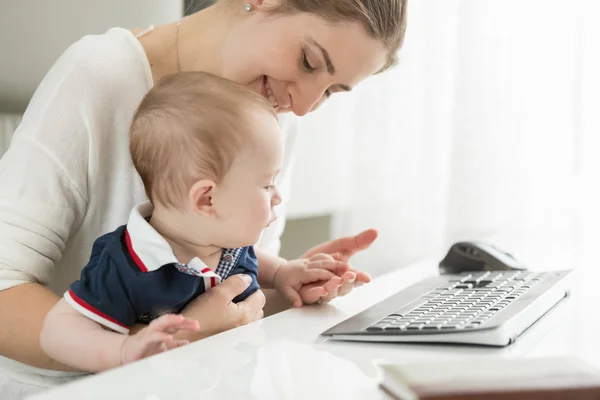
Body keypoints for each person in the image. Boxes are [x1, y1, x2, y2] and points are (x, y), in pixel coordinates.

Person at [0, 0, 407, 395]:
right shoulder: (101, 74)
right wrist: (159, 345)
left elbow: (227, 303)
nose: (301, 106)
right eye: (308, 61)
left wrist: (290, 283)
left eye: (331, 90)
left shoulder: (272, 117)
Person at [39, 71, 350, 373]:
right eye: (267, 184)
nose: (277, 196)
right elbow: (55, 331)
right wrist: (122, 351)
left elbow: (250, 273)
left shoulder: (229, 243)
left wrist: (284, 274)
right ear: (207, 200)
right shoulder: (125, 264)